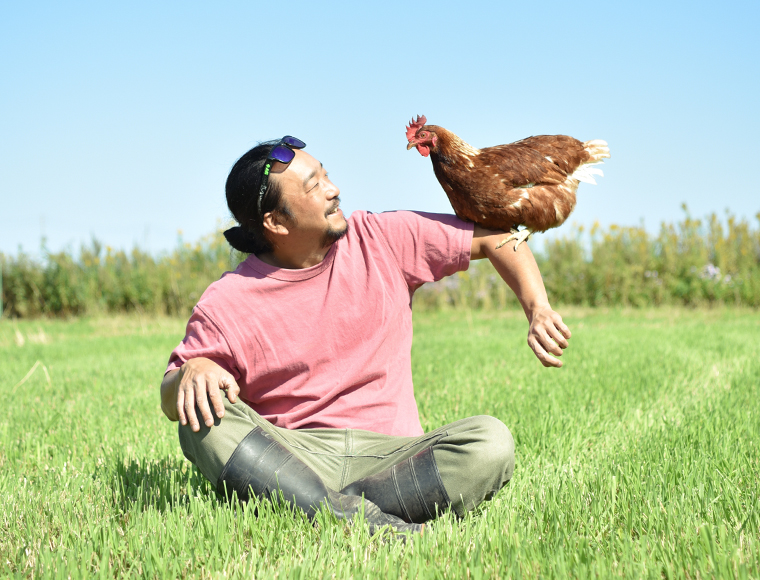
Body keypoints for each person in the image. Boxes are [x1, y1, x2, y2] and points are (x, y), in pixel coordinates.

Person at [160, 136, 571, 535]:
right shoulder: (228, 299)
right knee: (201, 422)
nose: (334, 190)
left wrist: (538, 308)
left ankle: (320, 510)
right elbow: (170, 395)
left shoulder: (380, 238)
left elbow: (498, 237)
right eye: (314, 185)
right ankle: (367, 520)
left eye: (326, 175)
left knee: (490, 443)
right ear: (276, 221)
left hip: (392, 457)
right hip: (292, 455)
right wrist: (191, 369)